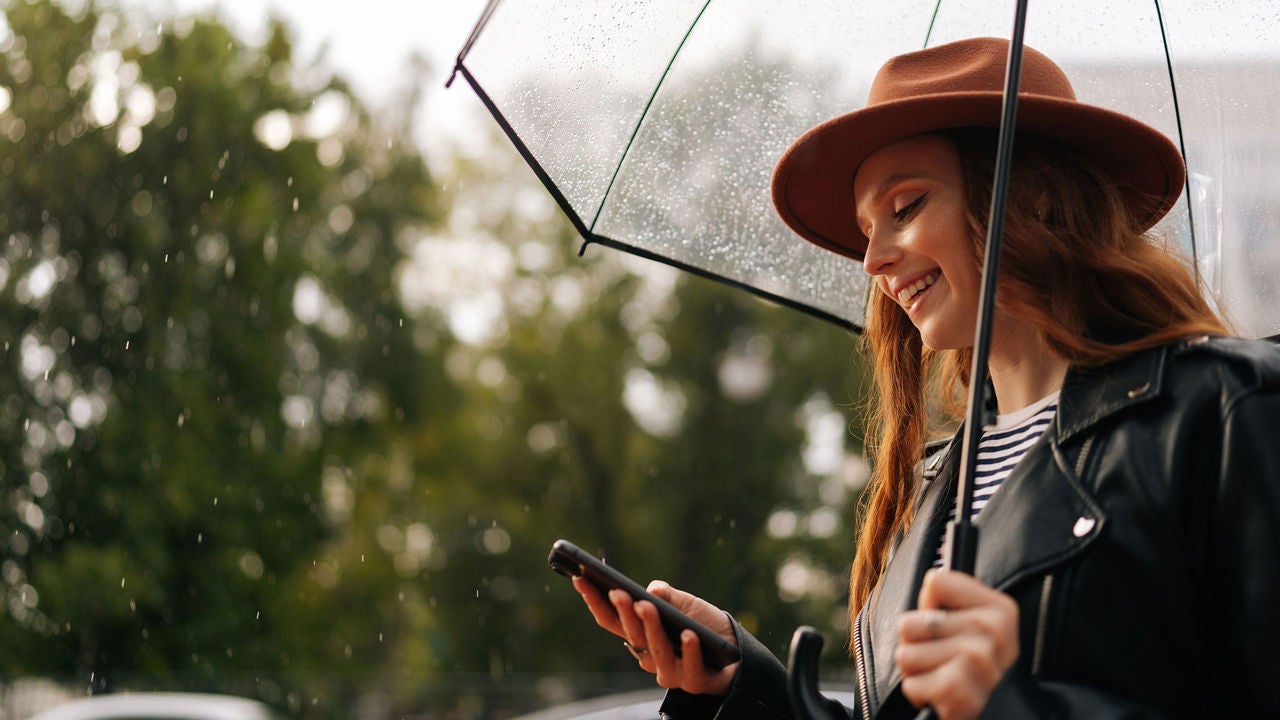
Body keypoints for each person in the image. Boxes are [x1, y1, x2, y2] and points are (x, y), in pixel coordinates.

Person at [571, 36, 1280, 719]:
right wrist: (742, 684)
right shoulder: (936, 485)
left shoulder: (1225, 412)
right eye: (866, 228)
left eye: (904, 207)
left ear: (1031, 197)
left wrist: (1013, 705)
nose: (873, 259)